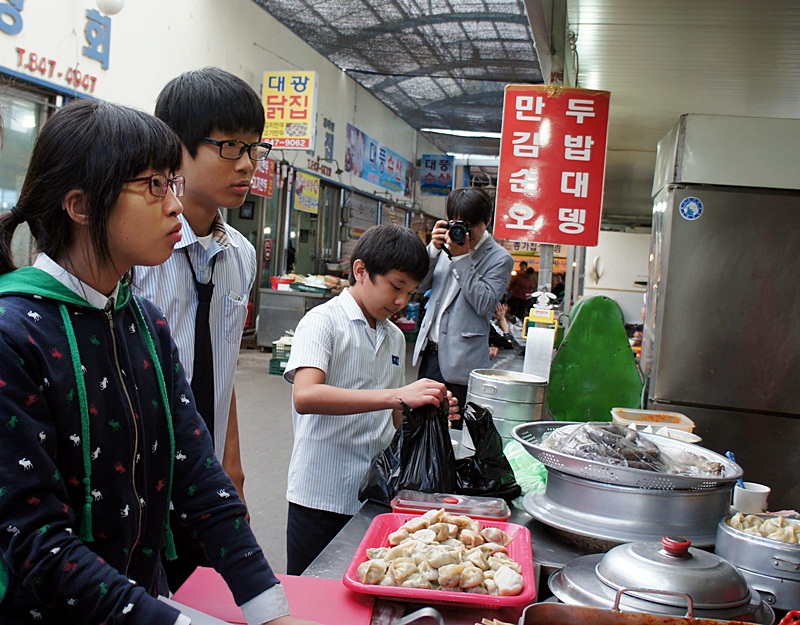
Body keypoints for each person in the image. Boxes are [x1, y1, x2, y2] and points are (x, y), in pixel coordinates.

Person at [0, 100, 316, 625]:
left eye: (172, 182)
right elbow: (35, 540)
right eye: (153, 186)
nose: (174, 205)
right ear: (79, 206)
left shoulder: (142, 319)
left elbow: (196, 472)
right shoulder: (14, 336)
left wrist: (271, 611)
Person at [133, 67, 268, 590]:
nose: (248, 165)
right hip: (139, 465)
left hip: (203, 472)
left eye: (254, 149)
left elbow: (225, 361)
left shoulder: (242, 255)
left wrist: (230, 462)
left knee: (201, 590)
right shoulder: (139, 250)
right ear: (176, 148)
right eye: (230, 147)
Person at [282, 225, 458, 575]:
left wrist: (423, 409)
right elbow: (306, 394)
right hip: (321, 494)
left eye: (410, 293)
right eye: (395, 287)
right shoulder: (322, 322)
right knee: (313, 594)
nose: (400, 302)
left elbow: (394, 417)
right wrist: (397, 395)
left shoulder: (393, 336)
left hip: (374, 494)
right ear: (361, 271)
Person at [411, 187, 514, 419]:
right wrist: (433, 250)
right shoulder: (446, 244)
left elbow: (485, 304)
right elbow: (419, 286)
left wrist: (461, 258)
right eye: (458, 222)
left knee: (453, 429)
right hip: (431, 353)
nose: (464, 231)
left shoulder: (499, 258)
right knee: (422, 424)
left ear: (486, 221)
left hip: (461, 362)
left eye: (471, 225)